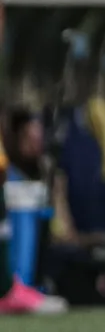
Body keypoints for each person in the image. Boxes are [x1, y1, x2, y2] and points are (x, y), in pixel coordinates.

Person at [0, 108, 70, 315]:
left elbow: (62, 230)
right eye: (28, 137)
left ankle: (8, 288)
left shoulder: (44, 174)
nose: (35, 144)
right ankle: (6, 291)